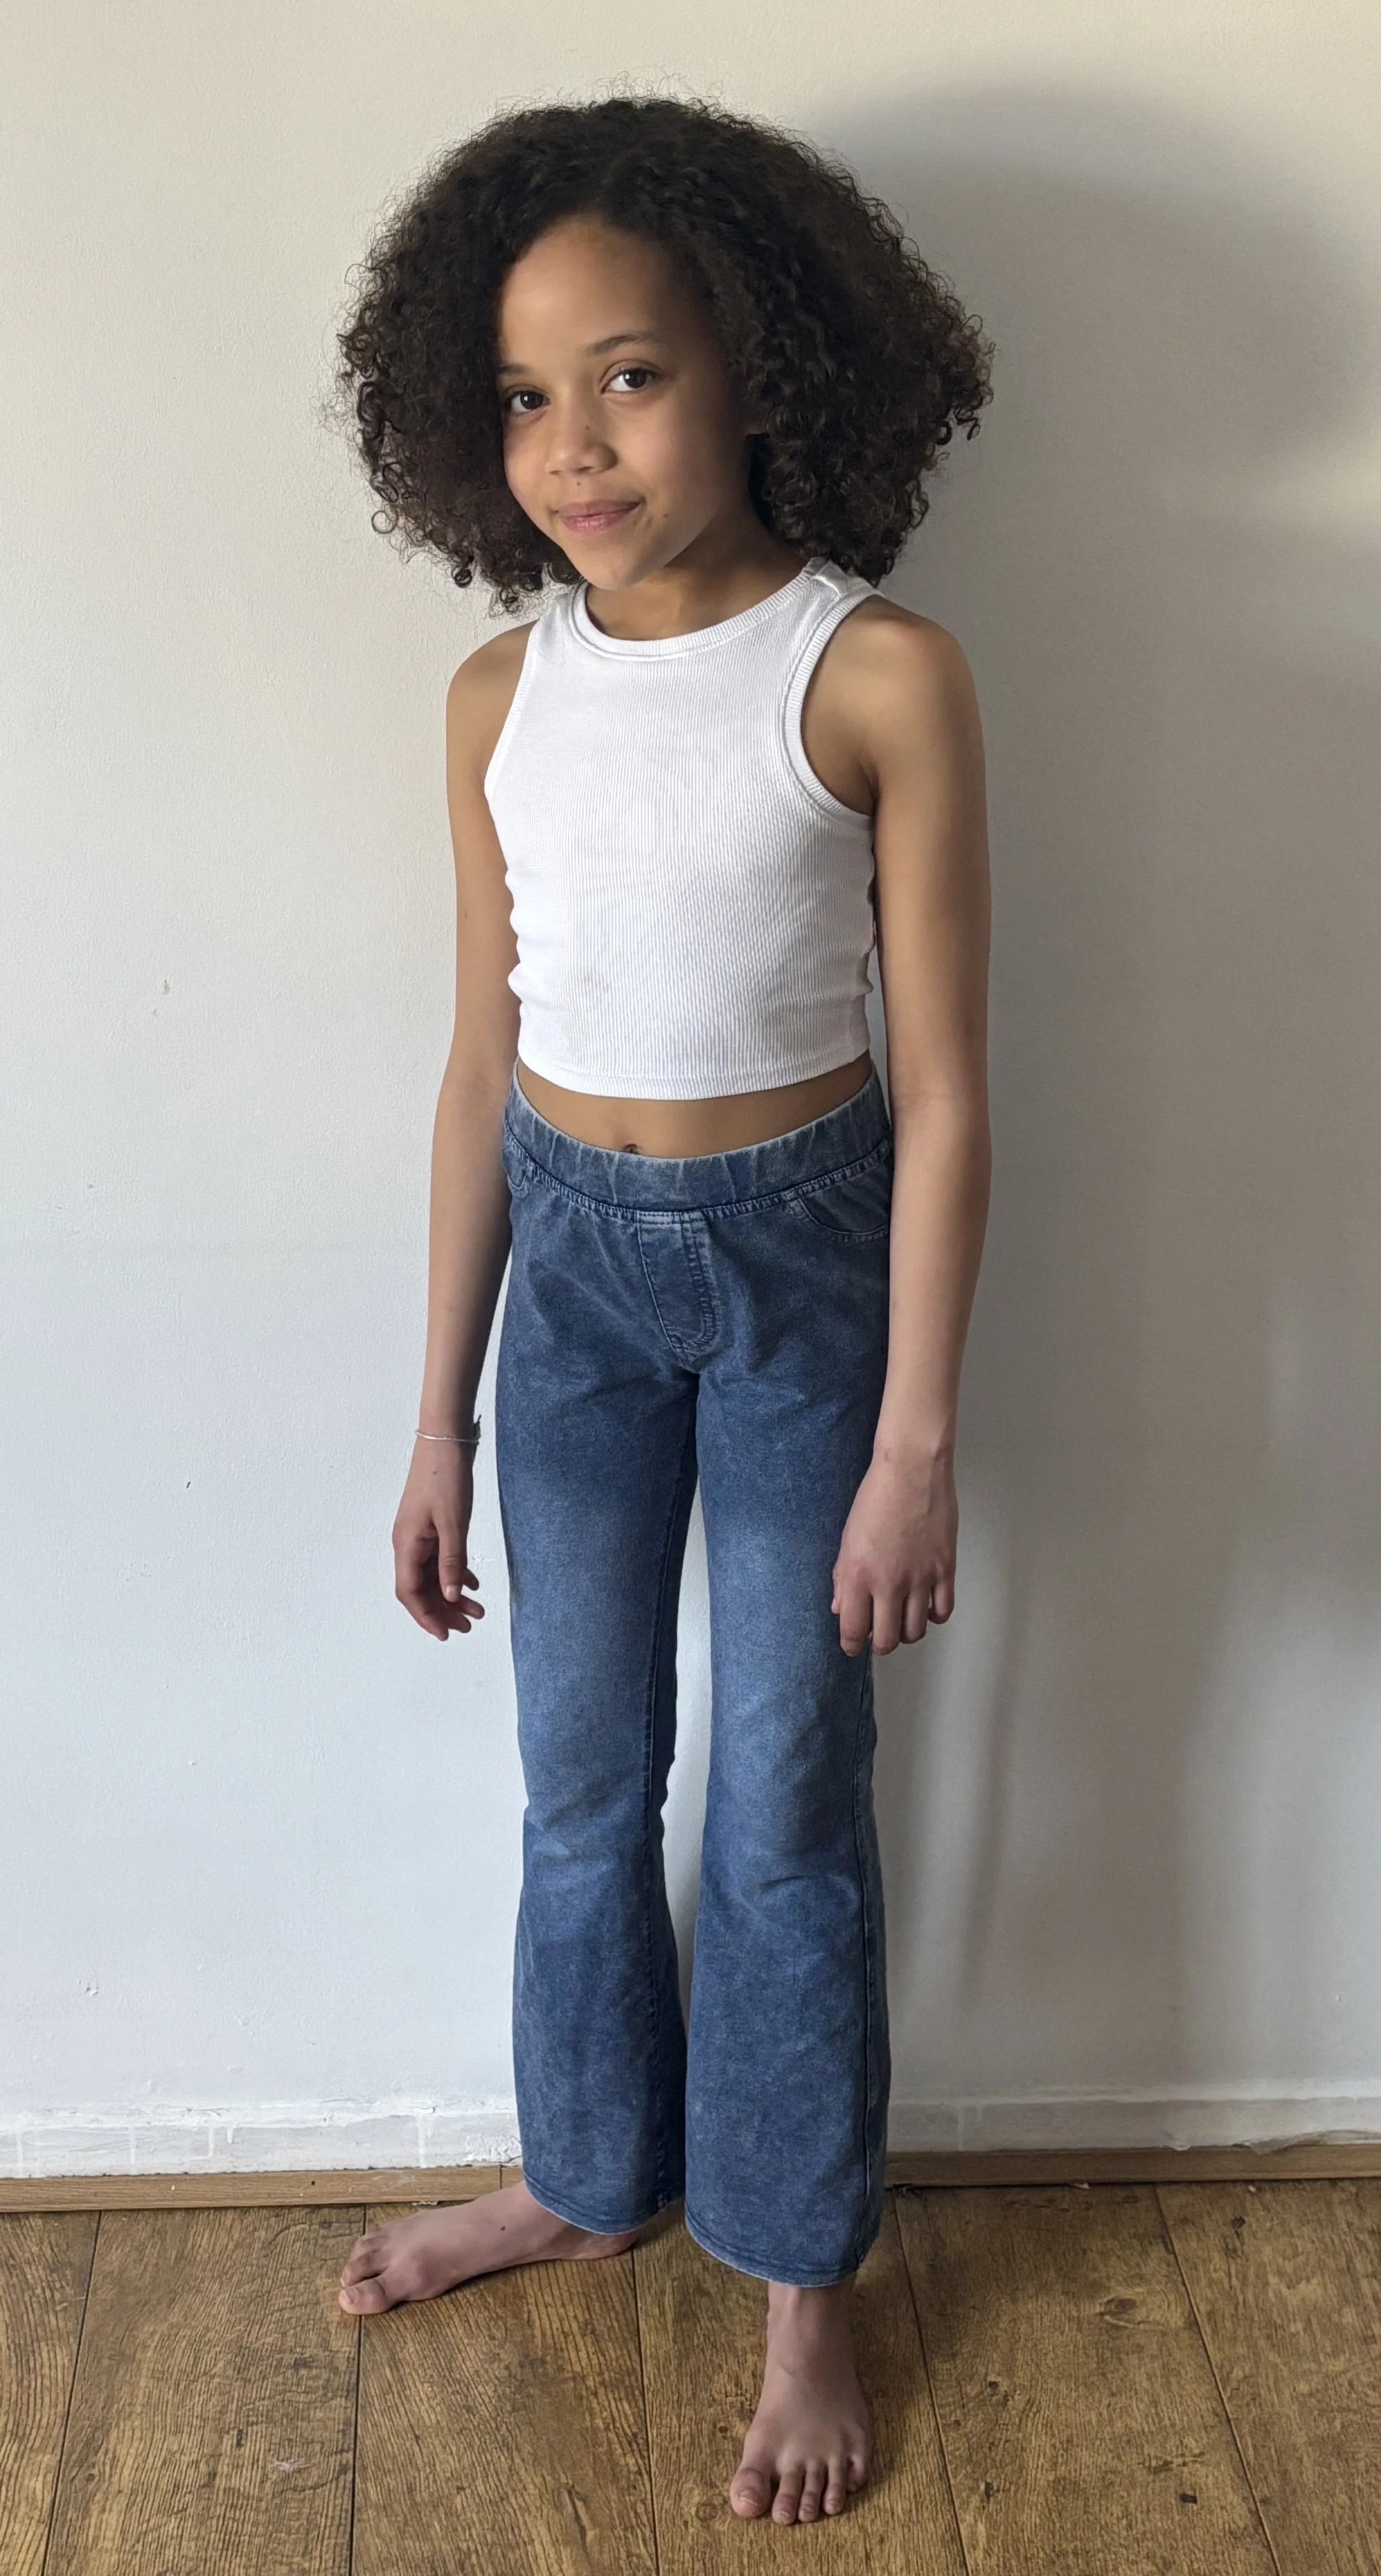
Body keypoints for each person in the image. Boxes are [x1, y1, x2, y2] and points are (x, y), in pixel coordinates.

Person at [329, 91, 994, 2527]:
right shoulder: (498, 707)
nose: (573, 445)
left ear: (765, 368)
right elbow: (479, 1058)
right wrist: (438, 1414)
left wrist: (917, 1433)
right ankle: (588, 2166)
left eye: (627, 375)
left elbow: (940, 1091)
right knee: (581, 1787)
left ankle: (799, 2267)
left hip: (811, 1284)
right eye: (521, 396)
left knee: (789, 1813)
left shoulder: (878, 672)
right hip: (570, 1291)